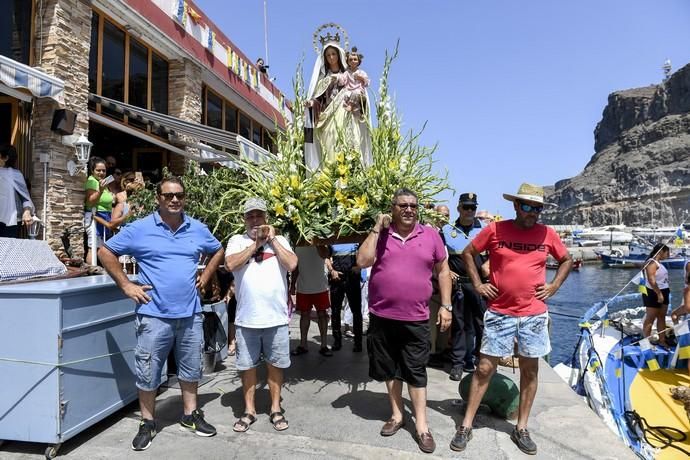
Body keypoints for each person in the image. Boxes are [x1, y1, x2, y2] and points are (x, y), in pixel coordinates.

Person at [98, 176, 225, 451]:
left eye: (179, 195)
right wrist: (126, 284)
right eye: (168, 195)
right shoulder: (140, 228)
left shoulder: (197, 228)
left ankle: (190, 415)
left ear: (185, 197)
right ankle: (147, 421)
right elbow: (105, 252)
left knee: (191, 368)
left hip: (190, 313)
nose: (174, 200)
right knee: (148, 370)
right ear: (158, 199)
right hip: (153, 314)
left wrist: (207, 276)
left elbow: (217, 249)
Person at [450, 183, 572, 455]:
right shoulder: (495, 230)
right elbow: (468, 253)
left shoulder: (547, 234)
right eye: (527, 206)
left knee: (530, 371)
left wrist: (554, 286)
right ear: (516, 206)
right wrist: (478, 284)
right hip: (499, 312)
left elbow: (566, 259)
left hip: (534, 315)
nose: (532, 213)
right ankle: (466, 425)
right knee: (483, 369)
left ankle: (521, 427)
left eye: (537, 208)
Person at [357, 188, 452, 454]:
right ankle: (397, 415)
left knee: (416, 371)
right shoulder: (381, 234)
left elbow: (443, 270)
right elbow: (362, 260)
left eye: (413, 205)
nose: (408, 209)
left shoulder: (431, 235)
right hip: (382, 316)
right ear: (393, 208)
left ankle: (422, 426)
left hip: (417, 318)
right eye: (403, 205)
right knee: (389, 369)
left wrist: (446, 306)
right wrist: (377, 226)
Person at [225, 197, 297, 433]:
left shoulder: (281, 239)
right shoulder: (237, 241)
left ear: (266, 217)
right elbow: (231, 265)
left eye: (259, 215)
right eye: (250, 216)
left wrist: (272, 240)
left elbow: (292, 264)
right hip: (247, 319)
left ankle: (276, 408)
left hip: (275, 318)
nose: (255, 220)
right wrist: (255, 245)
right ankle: (249, 411)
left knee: (275, 365)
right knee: (247, 366)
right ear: (244, 219)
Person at [304, 35, 372, 171]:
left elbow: (362, 95)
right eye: (328, 55)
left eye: (333, 54)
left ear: (339, 55)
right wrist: (312, 103)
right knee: (330, 151)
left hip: (347, 115)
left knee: (348, 146)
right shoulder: (323, 79)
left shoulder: (349, 75)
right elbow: (319, 99)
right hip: (327, 120)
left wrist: (359, 98)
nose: (331, 57)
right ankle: (330, 175)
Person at [441, 193, 487, 381]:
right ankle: (458, 364)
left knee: (482, 326)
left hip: (480, 287)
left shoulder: (485, 229)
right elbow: (439, 256)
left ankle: (482, 363)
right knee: (459, 326)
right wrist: (445, 270)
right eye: (466, 207)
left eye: (472, 208)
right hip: (459, 285)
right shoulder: (446, 229)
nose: (469, 211)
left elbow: (495, 255)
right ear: (459, 208)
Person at [291, 245, 333, 357]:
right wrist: (292, 285)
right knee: (304, 315)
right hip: (303, 287)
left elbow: (325, 254)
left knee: (322, 314)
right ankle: (303, 345)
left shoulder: (320, 243)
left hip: (320, 286)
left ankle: (324, 345)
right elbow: (296, 267)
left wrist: (318, 242)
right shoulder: (298, 245)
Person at [328, 243, 363, 352]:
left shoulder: (356, 236)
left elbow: (366, 253)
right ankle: (337, 340)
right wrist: (331, 270)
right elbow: (326, 257)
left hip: (353, 277)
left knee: (356, 311)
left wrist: (359, 267)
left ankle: (358, 342)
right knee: (335, 311)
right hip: (337, 277)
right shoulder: (333, 238)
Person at [84, 157, 114, 264]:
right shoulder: (92, 182)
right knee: (93, 246)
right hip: (95, 217)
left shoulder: (102, 183)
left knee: (102, 247)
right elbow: (90, 201)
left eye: (104, 170)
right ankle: (92, 271)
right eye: (98, 170)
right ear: (92, 171)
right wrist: (100, 191)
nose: (101, 173)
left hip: (105, 217)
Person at [0, 144, 33, 237]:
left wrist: (26, 212)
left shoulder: (15, 175)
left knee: (7, 249)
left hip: (11, 220)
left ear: (5, 158)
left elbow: (24, 196)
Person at [641, 243, 671, 347]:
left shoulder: (659, 263)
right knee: (650, 318)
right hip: (653, 292)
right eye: (667, 252)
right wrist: (659, 293)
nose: (669, 255)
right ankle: (646, 342)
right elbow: (651, 279)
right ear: (661, 252)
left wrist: (664, 292)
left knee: (661, 317)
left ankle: (662, 340)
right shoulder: (651, 263)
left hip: (664, 290)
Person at [341, 47, 369, 116]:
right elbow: (342, 82)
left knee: (355, 93)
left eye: (355, 59)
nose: (353, 61)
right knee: (344, 95)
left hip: (358, 90)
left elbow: (367, 83)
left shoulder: (361, 72)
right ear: (348, 62)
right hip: (348, 90)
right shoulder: (347, 72)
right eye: (350, 60)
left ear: (358, 61)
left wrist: (361, 78)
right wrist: (338, 78)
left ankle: (351, 106)